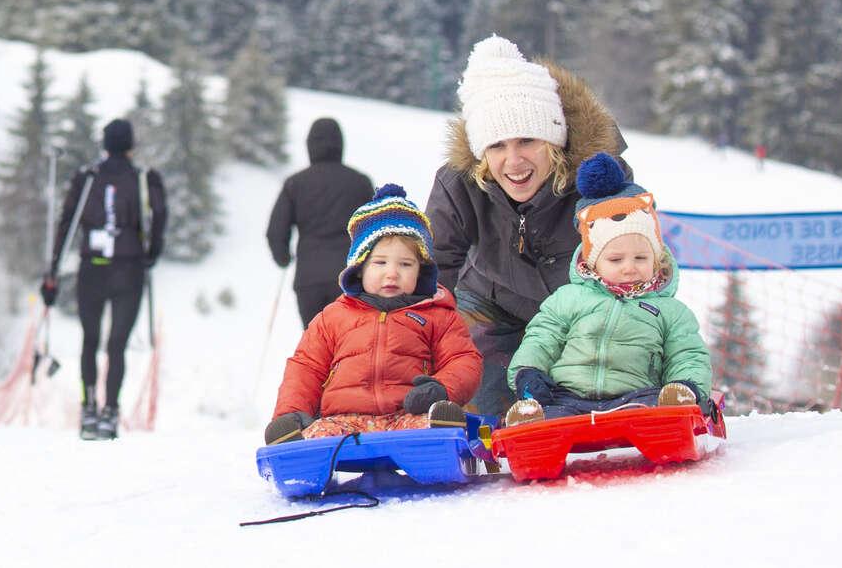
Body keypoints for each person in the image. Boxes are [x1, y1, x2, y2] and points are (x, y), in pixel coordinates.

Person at [425, 34, 627, 417]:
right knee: (485, 407)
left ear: (554, 140)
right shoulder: (459, 184)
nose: (513, 161)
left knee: (590, 401)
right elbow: (434, 268)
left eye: (527, 141)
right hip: (492, 305)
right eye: (497, 146)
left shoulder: (598, 174)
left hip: (583, 308)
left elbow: (639, 252)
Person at [503, 152, 712, 425]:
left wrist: (688, 384)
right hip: (567, 395)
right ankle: (530, 421)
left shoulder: (670, 311)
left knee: (653, 409)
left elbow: (687, 353)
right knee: (551, 415)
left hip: (635, 396)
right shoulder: (569, 298)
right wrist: (528, 372)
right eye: (615, 259)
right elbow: (542, 338)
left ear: (657, 258)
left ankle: (674, 409)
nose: (629, 267)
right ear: (593, 261)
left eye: (641, 258)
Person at [264, 185, 482, 443]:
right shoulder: (333, 317)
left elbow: (464, 359)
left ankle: (442, 444)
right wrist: (292, 412)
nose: (392, 273)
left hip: (406, 414)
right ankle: (297, 455)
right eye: (380, 263)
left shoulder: (437, 315)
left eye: (405, 264)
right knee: (317, 435)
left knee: (434, 424)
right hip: (345, 420)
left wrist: (442, 389)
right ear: (360, 267)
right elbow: (306, 368)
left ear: (421, 270)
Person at [40, 118, 167, 440]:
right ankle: (110, 411)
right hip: (129, 267)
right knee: (117, 344)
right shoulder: (143, 178)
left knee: (90, 340)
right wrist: (152, 251)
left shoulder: (86, 177)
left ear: (105, 144)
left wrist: (53, 271)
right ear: (130, 146)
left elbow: (67, 222)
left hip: (92, 268)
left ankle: (88, 410)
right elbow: (160, 213)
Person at [265, 117, 375, 327]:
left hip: (309, 279)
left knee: (316, 345)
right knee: (349, 343)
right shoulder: (360, 182)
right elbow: (377, 228)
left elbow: (275, 232)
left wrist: (284, 258)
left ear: (310, 145)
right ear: (340, 145)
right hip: (350, 278)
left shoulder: (295, 184)